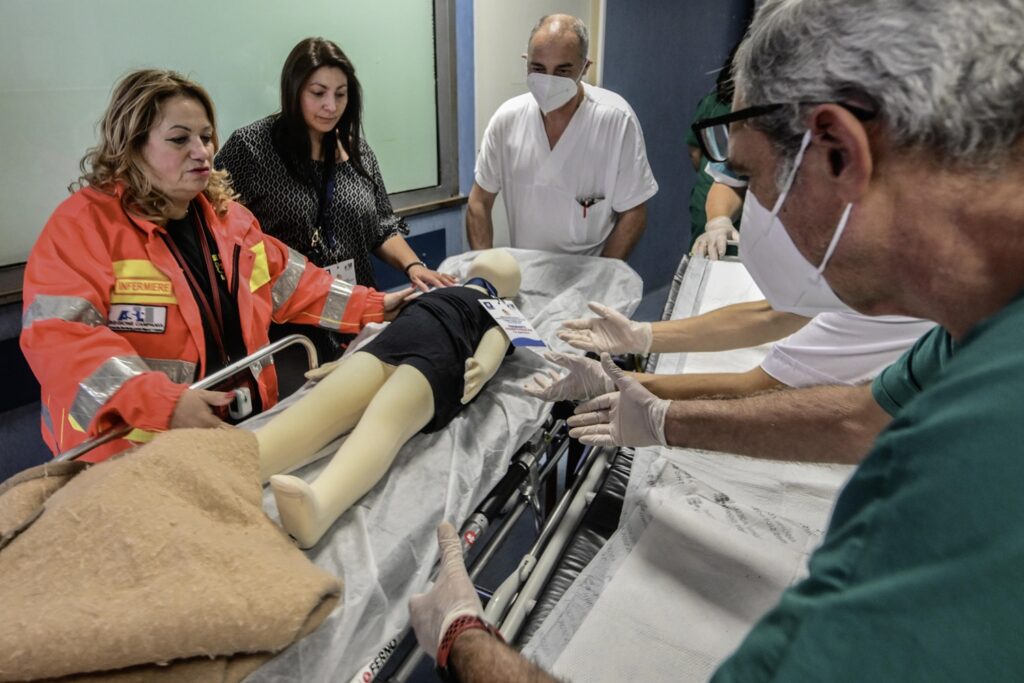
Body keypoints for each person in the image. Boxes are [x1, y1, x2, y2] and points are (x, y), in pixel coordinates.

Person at [410, 0, 1024, 678]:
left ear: (841, 151)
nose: (749, 208)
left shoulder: (986, 451)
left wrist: (464, 639)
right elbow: (859, 414)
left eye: (753, 180)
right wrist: (663, 410)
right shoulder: (973, 320)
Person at [20, 69, 406, 463]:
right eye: (179, 139)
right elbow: (62, 339)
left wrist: (375, 307)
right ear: (133, 147)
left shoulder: (228, 222)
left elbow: (294, 284)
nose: (202, 151)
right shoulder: (83, 229)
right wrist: (164, 404)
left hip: (238, 428)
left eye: (206, 137)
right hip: (131, 453)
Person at [253, 249, 521, 548]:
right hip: (387, 345)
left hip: (439, 358)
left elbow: (495, 343)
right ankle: (247, 461)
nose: (493, 261)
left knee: (384, 421)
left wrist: (481, 369)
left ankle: (320, 504)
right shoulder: (439, 289)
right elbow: (387, 327)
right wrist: (343, 362)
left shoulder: (502, 309)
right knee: (324, 402)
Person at [216, 37, 454, 359]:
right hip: (288, 327)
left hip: (358, 311)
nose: (331, 106)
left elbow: (382, 226)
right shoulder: (251, 148)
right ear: (294, 90)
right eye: (318, 93)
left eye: (340, 95)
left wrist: (412, 265)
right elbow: (217, 231)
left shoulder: (356, 151)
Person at [466, 14, 658, 259]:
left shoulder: (616, 120)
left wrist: (602, 276)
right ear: (526, 62)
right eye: (538, 69)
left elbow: (634, 212)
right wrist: (486, 268)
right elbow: (479, 202)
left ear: (585, 68)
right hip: (525, 275)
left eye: (562, 70)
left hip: (589, 273)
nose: (548, 81)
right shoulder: (507, 120)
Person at [526, 300, 934, 404]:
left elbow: (756, 390)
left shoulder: (891, 300)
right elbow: (774, 314)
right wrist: (642, 336)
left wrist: (616, 381)